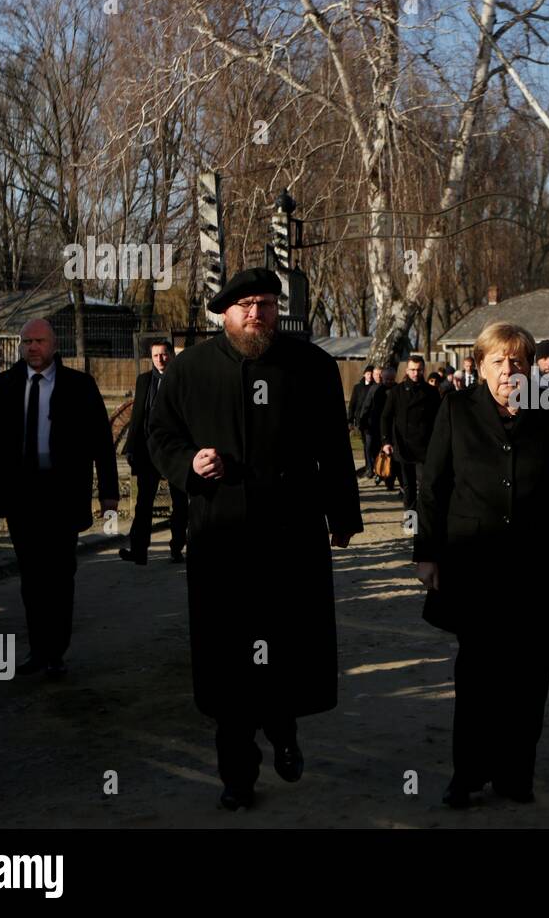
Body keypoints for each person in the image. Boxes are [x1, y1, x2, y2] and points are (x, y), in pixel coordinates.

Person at [147, 267, 363, 811]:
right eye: (245, 305)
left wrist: (342, 514)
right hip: (222, 540)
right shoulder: (190, 369)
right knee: (228, 662)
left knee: (285, 650)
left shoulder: (310, 366)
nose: (256, 314)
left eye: (266, 304)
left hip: (291, 539)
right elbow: (159, 435)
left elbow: (335, 448)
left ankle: (284, 730)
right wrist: (189, 465)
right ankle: (236, 775)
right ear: (224, 312)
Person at [415, 322, 549, 808]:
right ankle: (467, 772)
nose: (510, 370)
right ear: (480, 366)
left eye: (518, 362)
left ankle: (515, 774)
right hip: (474, 565)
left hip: (535, 566)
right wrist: (427, 552)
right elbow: (435, 485)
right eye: (498, 362)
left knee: (529, 679)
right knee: (479, 676)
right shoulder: (456, 409)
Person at [0, 318, 118, 679]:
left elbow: (101, 444)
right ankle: (39, 649)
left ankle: (56, 651)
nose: (32, 347)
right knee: (32, 576)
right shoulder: (6, 386)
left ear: (53, 344)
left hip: (62, 495)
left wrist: (109, 495)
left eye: (39, 341)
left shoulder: (79, 387)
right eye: (26, 341)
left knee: (60, 574)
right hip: (20, 495)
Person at [121, 339, 187, 565]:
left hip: (176, 451)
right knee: (143, 502)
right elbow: (137, 416)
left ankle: (177, 547)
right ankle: (139, 550)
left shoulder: (182, 381)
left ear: (171, 355)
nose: (160, 359)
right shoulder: (144, 381)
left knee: (179, 502)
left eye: (164, 354)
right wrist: (131, 448)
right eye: (156, 355)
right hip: (149, 451)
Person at [382, 354, 441, 511]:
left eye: (419, 370)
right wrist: (386, 441)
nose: (416, 373)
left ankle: (423, 522)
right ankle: (411, 523)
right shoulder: (396, 392)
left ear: (423, 370)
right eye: (413, 370)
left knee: (425, 486)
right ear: (407, 370)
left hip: (425, 446)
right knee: (408, 488)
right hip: (404, 446)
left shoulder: (432, 392)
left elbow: (439, 420)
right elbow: (386, 417)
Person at [360, 367, 396, 489]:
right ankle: (379, 472)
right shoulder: (375, 389)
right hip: (376, 426)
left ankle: (389, 479)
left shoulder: (397, 389)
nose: (389, 382)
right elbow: (367, 405)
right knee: (376, 452)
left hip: (392, 427)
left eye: (392, 379)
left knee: (391, 455)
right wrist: (363, 422)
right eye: (387, 379)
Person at [349, 366, 375, 477]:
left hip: (373, 420)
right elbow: (352, 404)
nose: (370, 376)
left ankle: (371, 467)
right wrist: (350, 420)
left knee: (370, 444)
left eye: (371, 374)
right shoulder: (358, 387)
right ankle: (369, 467)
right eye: (368, 373)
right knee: (366, 444)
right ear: (364, 374)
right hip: (362, 421)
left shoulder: (375, 387)